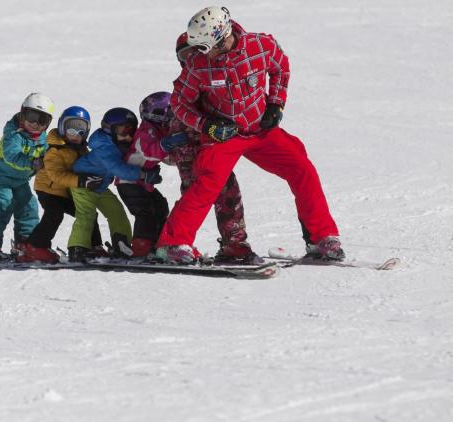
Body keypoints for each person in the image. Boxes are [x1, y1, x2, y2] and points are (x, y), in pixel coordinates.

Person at [157, 6, 343, 263]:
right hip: (224, 136)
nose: (200, 53)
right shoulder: (198, 66)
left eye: (204, 47)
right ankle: (173, 244)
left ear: (221, 38)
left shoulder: (260, 45)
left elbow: (280, 66)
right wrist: (207, 126)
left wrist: (276, 104)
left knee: (302, 168)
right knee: (208, 181)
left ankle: (322, 239)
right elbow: (179, 103)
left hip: (259, 129)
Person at [68, 108, 161, 262]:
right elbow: (118, 169)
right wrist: (143, 175)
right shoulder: (105, 147)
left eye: (132, 131)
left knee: (116, 211)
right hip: (83, 184)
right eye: (124, 131)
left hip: (100, 187)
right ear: (109, 130)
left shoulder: (117, 144)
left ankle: (121, 244)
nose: (128, 136)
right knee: (86, 215)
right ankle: (77, 248)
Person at [0, 92, 54, 260]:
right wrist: (32, 163)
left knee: (29, 206)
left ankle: (26, 243)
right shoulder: (13, 134)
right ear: (22, 114)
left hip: (19, 179)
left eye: (41, 120)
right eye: (31, 116)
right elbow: (11, 155)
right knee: (3, 205)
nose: (35, 123)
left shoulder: (45, 140)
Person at [17, 106, 106, 263]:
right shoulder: (54, 150)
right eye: (71, 129)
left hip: (66, 191)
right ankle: (35, 247)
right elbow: (56, 176)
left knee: (87, 211)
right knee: (54, 213)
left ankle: (93, 246)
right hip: (48, 189)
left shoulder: (82, 150)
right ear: (62, 127)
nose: (75, 135)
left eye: (81, 130)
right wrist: (80, 181)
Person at [116, 92, 183, 257]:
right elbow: (148, 152)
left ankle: (159, 242)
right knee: (145, 211)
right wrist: (166, 144)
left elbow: (164, 157)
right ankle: (141, 246)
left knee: (160, 206)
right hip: (128, 182)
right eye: (168, 112)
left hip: (143, 183)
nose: (171, 116)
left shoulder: (158, 130)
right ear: (157, 114)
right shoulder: (146, 131)